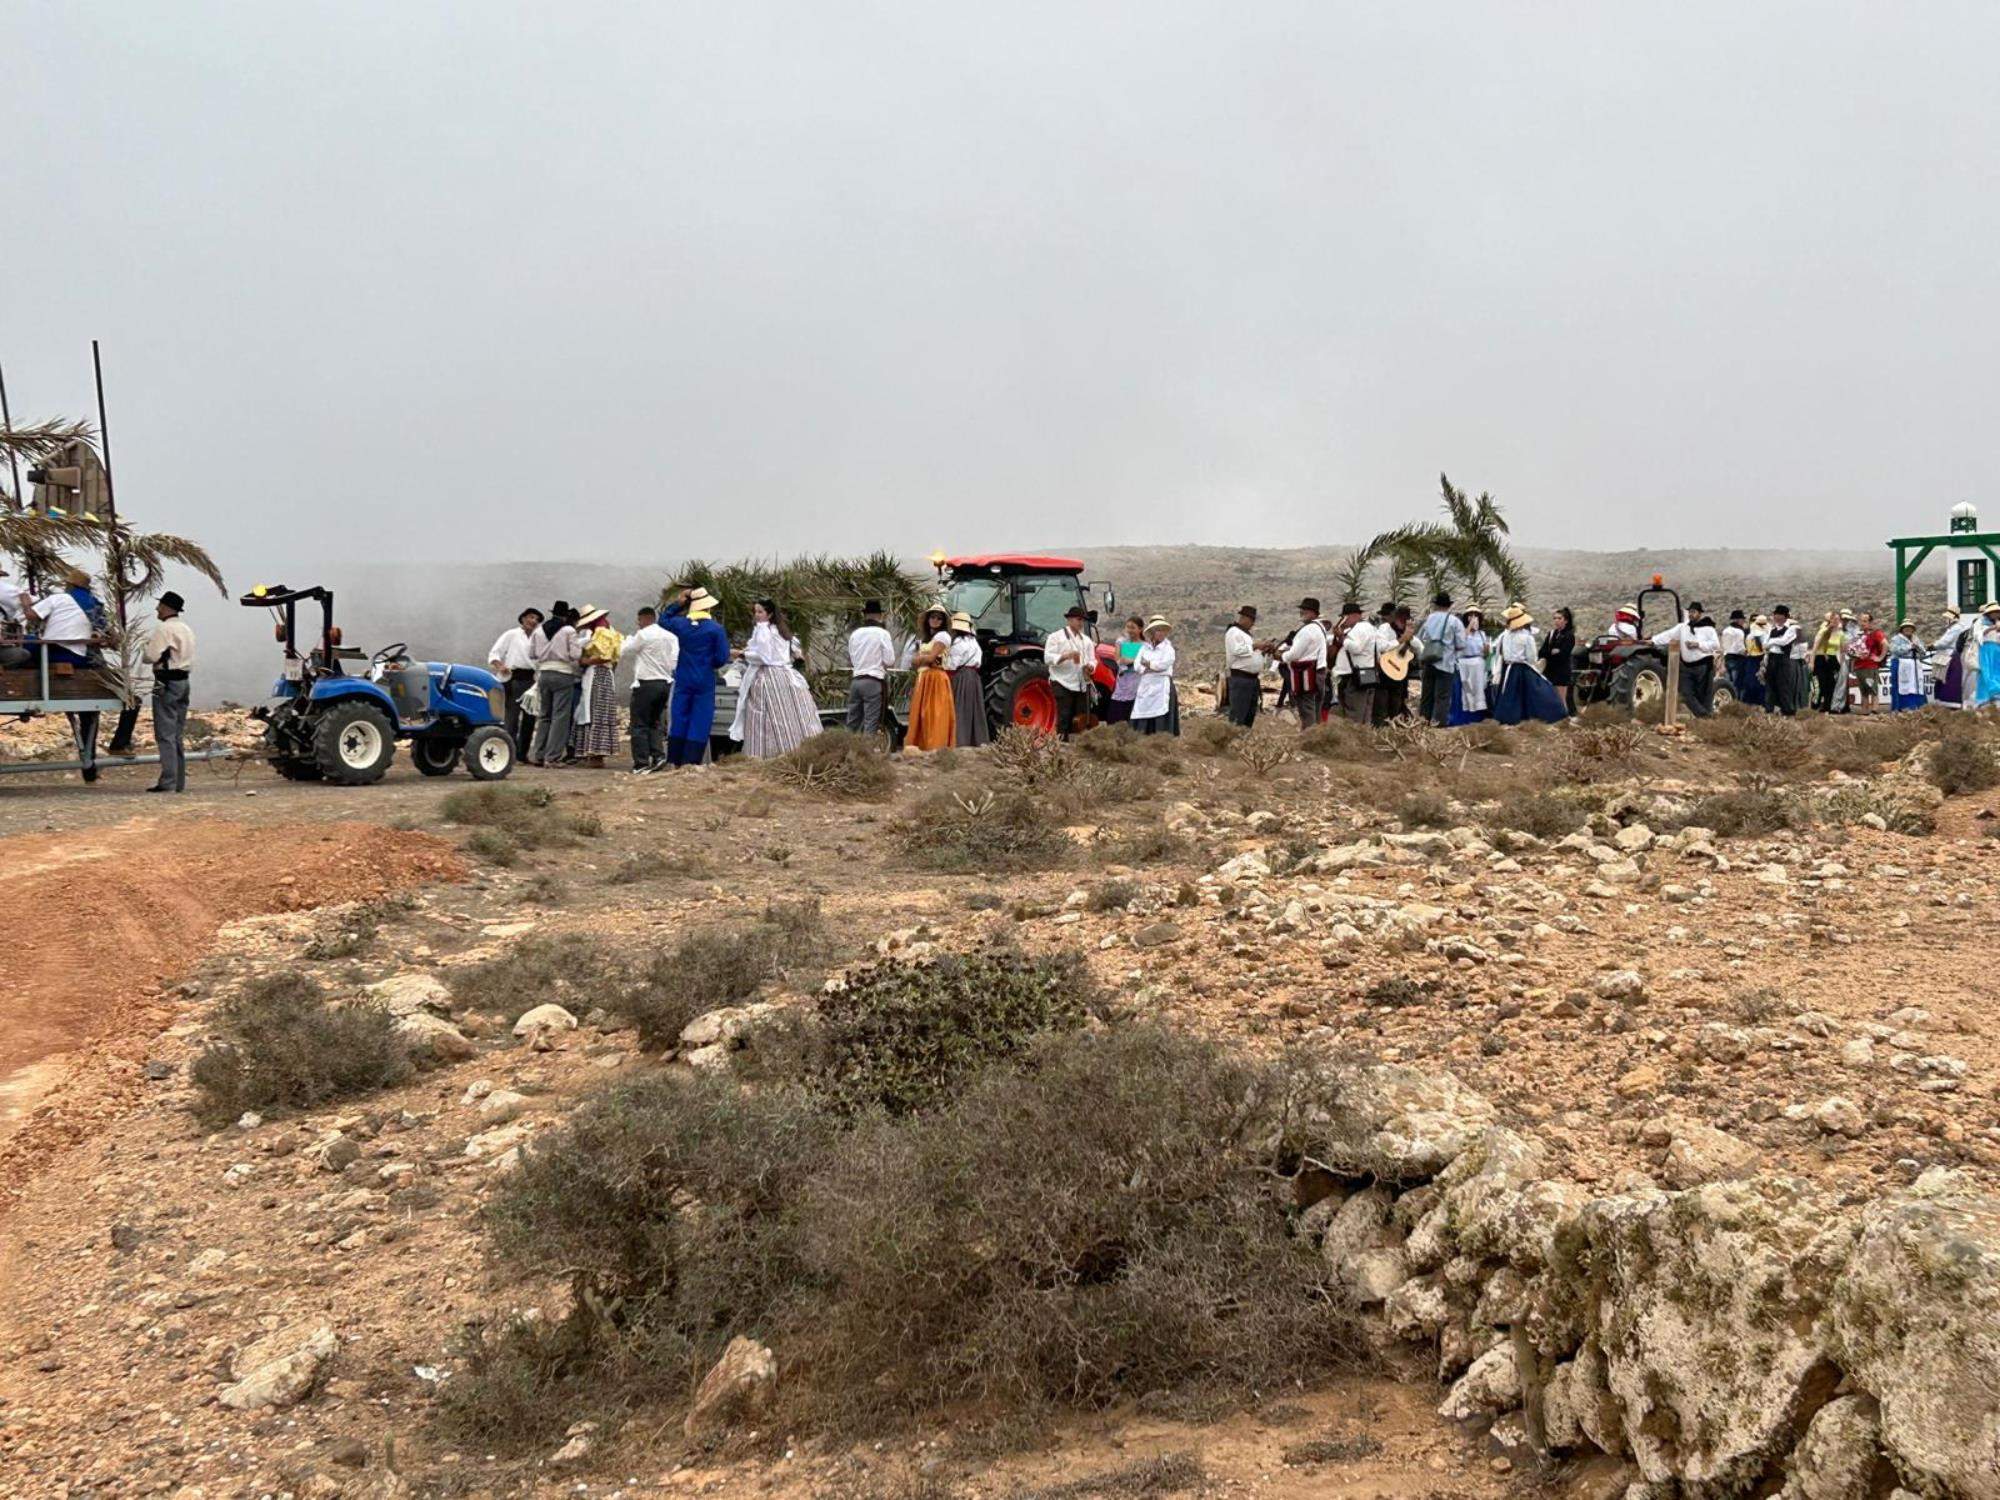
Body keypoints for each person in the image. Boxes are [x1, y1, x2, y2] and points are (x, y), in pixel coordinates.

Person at [26, 579, 102, 780]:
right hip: (80, 658)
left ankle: (22, 683)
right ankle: (89, 765)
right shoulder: (95, 605)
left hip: (54, 652)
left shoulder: (59, 598)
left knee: (24, 647)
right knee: (89, 716)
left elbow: (31, 615)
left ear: (69, 586)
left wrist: (26, 603)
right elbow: (104, 633)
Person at [733, 598, 822, 757]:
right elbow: (793, 652)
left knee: (765, 716)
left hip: (769, 677)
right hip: (786, 676)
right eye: (755, 612)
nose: (757, 615)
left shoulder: (764, 630)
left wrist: (742, 654)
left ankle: (764, 754)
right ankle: (795, 749)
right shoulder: (781, 631)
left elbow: (764, 656)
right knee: (792, 715)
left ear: (770, 614)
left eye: (760, 612)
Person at [661, 587, 732, 766]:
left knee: (680, 715)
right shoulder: (716, 629)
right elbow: (722, 657)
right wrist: (710, 663)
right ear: (708, 607)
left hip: (683, 676)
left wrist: (679, 603)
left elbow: (663, 619)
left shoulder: (681, 625)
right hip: (704, 678)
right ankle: (691, 760)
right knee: (700, 718)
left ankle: (675, 759)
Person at [142, 591, 195, 793]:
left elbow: (150, 656)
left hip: (166, 682)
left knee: (165, 733)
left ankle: (168, 781)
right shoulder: (186, 629)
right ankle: (178, 782)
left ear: (165, 608)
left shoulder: (164, 629)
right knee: (177, 733)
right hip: (183, 681)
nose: (157, 609)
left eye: (160, 606)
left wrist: (145, 648)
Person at [620, 604, 677, 774]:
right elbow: (674, 661)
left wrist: (627, 639)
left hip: (646, 683)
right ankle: (658, 756)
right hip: (665, 683)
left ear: (645, 619)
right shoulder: (671, 637)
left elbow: (625, 650)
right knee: (655, 722)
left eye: (639, 620)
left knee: (639, 724)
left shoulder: (643, 635)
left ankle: (641, 762)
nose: (638, 624)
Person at [568, 606, 624, 768]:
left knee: (594, 711)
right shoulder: (604, 631)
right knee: (593, 711)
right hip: (601, 674)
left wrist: (584, 661)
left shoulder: (602, 633)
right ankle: (592, 752)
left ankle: (595, 753)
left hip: (598, 675)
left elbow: (604, 656)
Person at [526, 600, 580, 766]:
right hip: (563, 673)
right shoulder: (569, 630)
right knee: (560, 716)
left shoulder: (539, 630)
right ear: (565, 615)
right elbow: (576, 654)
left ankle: (538, 754)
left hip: (544, 673)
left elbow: (532, 653)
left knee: (544, 715)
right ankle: (552, 757)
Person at [1492, 604, 1566, 724]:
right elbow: (1532, 658)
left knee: (1510, 694)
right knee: (1539, 691)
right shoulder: (1526, 637)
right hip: (1522, 668)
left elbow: (1502, 653)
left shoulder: (1504, 636)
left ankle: (1508, 718)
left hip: (1509, 669)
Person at [1652, 602, 1721, 717]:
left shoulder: (1708, 629)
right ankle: (1704, 715)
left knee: (1703, 694)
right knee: (1685, 693)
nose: (1691, 614)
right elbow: (1668, 635)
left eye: (1694, 612)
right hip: (1687, 666)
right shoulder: (1682, 628)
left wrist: (1698, 644)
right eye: (1690, 612)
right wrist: (1653, 640)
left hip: (1703, 666)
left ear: (1699, 614)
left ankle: (1705, 718)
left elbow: (1716, 645)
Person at [488, 607, 544, 748]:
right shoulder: (512, 634)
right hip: (514, 678)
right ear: (523, 618)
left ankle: (522, 753)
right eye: (531, 617)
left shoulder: (538, 638)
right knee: (512, 716)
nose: (533, 621)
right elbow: (495, 653)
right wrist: (501, 666)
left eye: (536, 619)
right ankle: (508, 749)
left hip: (531, 680)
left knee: (530, 717)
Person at [903, 605, 956, 753]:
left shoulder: (943, 636)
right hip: (924, 677)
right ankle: (920, 746)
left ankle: (935, 747)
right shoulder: (926, 639)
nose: (935, 620)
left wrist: (920, 658)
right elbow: (917, 661)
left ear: (943, 621)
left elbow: (931, 658)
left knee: (934, 714)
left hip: (935, 679)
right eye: (933, 617)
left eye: (939, 618)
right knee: (921, 714)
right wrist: (922, 659)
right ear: (928, 619)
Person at [1415, 591, 1468, 726]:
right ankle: (1438, 724)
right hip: (1446, 662)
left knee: (1426, 695)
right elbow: (1461, 644)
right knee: (1442, 696)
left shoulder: (1429, 619)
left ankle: (1423, 722)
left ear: (1436, 605)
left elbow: (1419, 639)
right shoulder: (1454, 621)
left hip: (1429, 660)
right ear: (1449, 605)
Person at [845, 600, 895, 737]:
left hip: (856, 681)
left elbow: (851, 659)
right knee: (870, 723)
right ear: (880, 616)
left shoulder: (855, 634)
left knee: (852, 722)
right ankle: (867, 749)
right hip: (873, 681)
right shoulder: (882, 633)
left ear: (865, 615)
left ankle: (846, 747)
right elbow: (890, 661)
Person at [1044, 606, 1095, 739]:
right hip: (1062, 681)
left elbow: (1092, 660)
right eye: (1078, 619)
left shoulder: (1087, 640)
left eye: (1082, 620)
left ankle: (1079, 744)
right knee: (1064, 716)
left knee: (1081, 717)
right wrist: (1065, 656)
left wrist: (1090, 667)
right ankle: (1062, 743)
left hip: (1081, 683)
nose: (1081, 623)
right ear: (1070, 619)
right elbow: (1047, 658)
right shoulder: (1055, 637)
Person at [1281, 597, 1329, 728]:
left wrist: (1282, 656)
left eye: (1306, 610)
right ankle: (1317, 734)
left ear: (1314, 613)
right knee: (1315, 709)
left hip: (1307, 673)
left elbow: (1295, 654)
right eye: (1302, 609)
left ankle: (1310, 735)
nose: (1302, 612)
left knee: (1306, 709)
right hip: (1319, 671)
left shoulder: (1307, 630)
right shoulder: (1320, 628)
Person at [946, 611, 990, 747]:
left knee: (960, 708)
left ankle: (959, 740)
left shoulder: (958, 643)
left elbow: (952, 665)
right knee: (974, 709)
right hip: (974, 677)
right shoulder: (974, 642)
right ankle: (976, 740)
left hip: (962, 676)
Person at [1335, 602, 1383, 725]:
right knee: (1366, 710)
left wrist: (1343, 638)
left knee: (1355, 712)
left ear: (1353, 615)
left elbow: (1356, 648)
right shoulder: (1370, 628)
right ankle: (1365, 733)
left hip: (1357, 674)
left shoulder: (1359, 628)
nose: (1344, 620)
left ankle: (1355, 735)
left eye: (1345, 617)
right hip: (1369, 672)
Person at [1222, 605, 1267, 727]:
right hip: (1241, 678)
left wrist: (1262, 651)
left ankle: (1245, 735)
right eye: (1251, 620)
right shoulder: (1233, 632)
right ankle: (1234, 736)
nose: (1253, 624)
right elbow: (1237, 651)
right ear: (1244, 618)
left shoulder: (1246, 635)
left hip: (1252, 679)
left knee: (1249, 714)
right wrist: (1255, 646)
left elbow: (1250, 654)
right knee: (1238, 714)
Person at [1131, 616, 1176, 734]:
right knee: (1143, 710)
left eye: (1162, 630)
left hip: (1162, 684)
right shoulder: (1144, 648)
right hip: (1146, 684)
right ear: (1152, 632)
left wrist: (1149, 664)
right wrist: (1147, 668)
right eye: (1157, 630)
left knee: (1161, 713)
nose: (1160, 633)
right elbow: (1137, 665)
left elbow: (1164, 664)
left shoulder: (1168, 649)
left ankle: (1161, 737)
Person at [1447, 607, 1490, 725]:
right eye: (1471, 615)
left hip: (1478, 665)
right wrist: (1470, 626)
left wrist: (1486, 650)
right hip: (1464, 664)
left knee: (1477, 691)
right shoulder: (1462, 632)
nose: (1474, 618)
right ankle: (1462, 717)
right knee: (1465, 691)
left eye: (1476, 616)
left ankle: (1477, 716)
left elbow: (1485, 654)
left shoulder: (1482, 634)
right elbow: (1460, 642)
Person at [1375, 603, 1414, 724]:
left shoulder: (1406, 630)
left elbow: (1417, 647)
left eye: (1405, 619)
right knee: (1382, 702)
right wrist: (1401, 639)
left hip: (1399, 673)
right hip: (1385, 669)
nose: (1402, 622)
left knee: (1397, 702)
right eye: (1400, 619)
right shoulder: (1385, 628)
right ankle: (1381, 726)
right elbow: (1381, 647)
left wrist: (1410, 640)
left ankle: (1395, 724)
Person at [1103, 615, 1144, 725]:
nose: (1130, 630)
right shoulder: (1121, 642)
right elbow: (1118, 659)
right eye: (1128, 627)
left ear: (1140, 629)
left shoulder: (1144, 645)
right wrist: (1125, 660)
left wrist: (1132, 660)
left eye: (1133, 627)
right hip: (1122, 681)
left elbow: (1144, 662)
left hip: (1137, 682)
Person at [1763, 606, 1803, 716]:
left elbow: (1784, 641)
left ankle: (1787, 710)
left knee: (1784, 684)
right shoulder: (1771, 629)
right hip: (1772, 657)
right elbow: (1765, 644)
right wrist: (1774, 642)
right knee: (1770, 684)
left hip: (1783, 659)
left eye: (1779, 615)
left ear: (1785, 616)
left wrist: (1772, 642)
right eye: (1775, 615)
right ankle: (1769, 709)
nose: (1776, 617)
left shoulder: (1792, 628)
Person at [1538, 605, 1576, 715]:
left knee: (1561, 699)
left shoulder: (1569, 636)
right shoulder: (1551, 634)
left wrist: (1553, 653)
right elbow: (1542, 652)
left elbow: (1563, 654)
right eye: (1555, 618)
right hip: (1549, 671)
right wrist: (1552, 652)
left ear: (1566, 621)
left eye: (1559, 618)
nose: (1556, 621)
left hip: (1561, 672)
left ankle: (1564, 719)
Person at [1810, 610, 1846, 713]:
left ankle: (1827, 706)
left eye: (1838, 619)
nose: (1836, 621)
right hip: (1820, 657)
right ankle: (1815, 705)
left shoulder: (1840, 634)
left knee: (1831, 684)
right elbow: (1815, 647)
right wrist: (1812, 662)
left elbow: (1842, 650)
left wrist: (1842, 663)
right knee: (1820, 684)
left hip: (1832, 658)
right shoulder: (1823, 631)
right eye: (1834, 619)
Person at [1888, 620, 1927, 712]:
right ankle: (1899, 706)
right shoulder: (1896, 639)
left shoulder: (1916, 639)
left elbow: (1923, 651)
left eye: (1910, 628)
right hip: (1900, 663)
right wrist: (1909, 647)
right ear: (1902, 629)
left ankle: (1917, 705)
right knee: (1900, 685)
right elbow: (1894, 650)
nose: (1908, 629)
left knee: (1916, 685)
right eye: (1906, 627)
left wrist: (1918, 647)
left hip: (1914, 665)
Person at [1978, 603, 2000, 709]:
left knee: (1996, 671)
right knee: (1987, 672)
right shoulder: (1981, 622)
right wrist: (1992, 628)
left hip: (1996, 649)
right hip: (1986, 649)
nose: (1997, 614)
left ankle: (1996, 695)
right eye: (1995, 612)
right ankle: (1987, 697)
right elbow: (1979, 634)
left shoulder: (1997, 622)